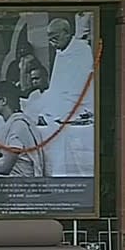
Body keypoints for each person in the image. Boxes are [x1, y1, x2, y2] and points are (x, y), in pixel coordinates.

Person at [43, 17, 95, 177]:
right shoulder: (61, 52)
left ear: (66, 33)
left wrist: (61, 112)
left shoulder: (82, 51)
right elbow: (56, 87)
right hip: (59, 119)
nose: (51, 41)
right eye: (49, 37)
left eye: (55, 36)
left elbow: (77, 88)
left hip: (78, 120)